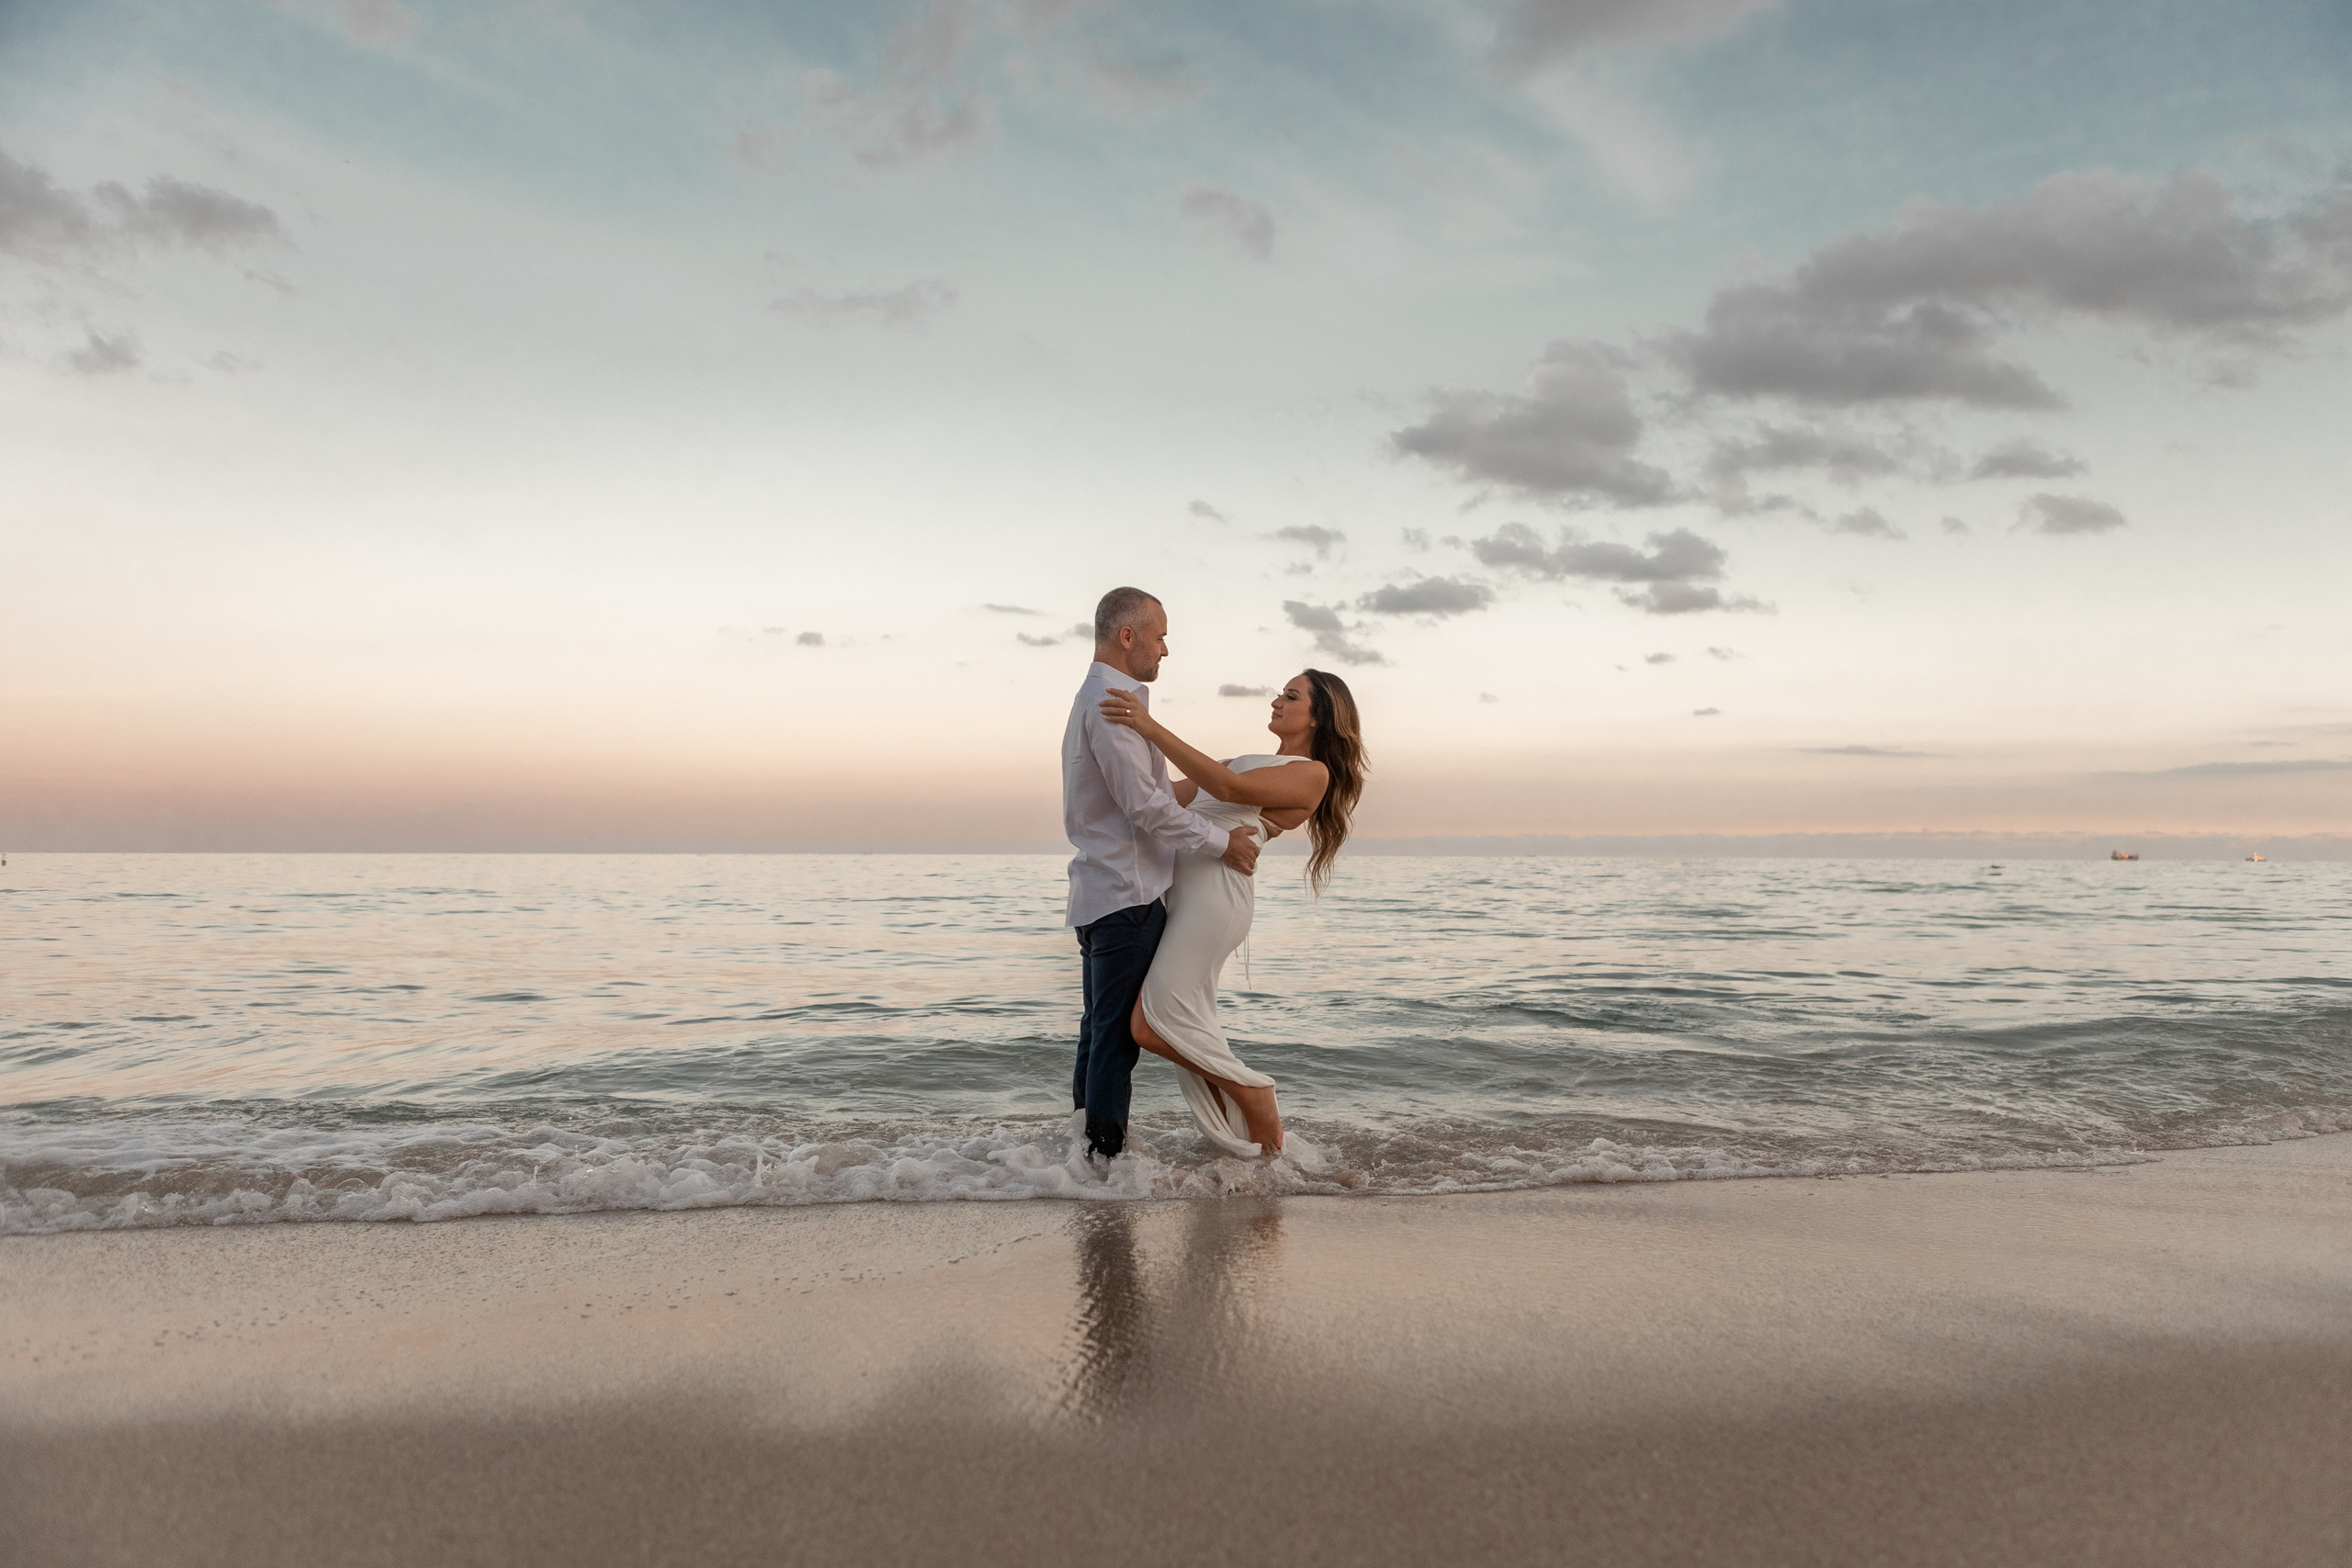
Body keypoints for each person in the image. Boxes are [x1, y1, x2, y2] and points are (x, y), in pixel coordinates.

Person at [1096, 668, 1365, 1156]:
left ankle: (1253, 1093)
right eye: (1280, 693)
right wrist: (1105, 750)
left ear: (1320, 716)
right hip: (1184, 898)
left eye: (1291, 696)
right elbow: (1156, 796)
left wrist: (1148, 726)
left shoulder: (1312, 772)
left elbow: (1227, 789)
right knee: (1183, 1023)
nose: (1276, 701)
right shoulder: (1242, 760)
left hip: (1217, 899)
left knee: (1150, 1024)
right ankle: (1249, 1149)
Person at [1064, 587, 1261, 1162]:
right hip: (1126, 895)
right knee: (1114, 1041)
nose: (1165, 649)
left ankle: (1083, 1157)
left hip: (1102, 890)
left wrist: (1212, 782)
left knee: (1098, 1033)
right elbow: (1145, 808)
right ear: (1128, 637)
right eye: (1160, 635)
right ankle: (1104, 1163)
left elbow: (1148, 795)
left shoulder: (1103, 698)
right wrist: (1225, 843)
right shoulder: (1112, 705)